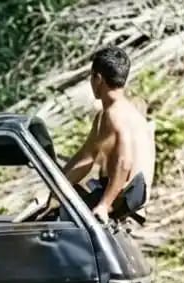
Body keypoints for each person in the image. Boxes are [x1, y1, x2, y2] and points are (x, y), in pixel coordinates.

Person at [63, 46, 156, 223]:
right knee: (67, 195)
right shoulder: (127, 112)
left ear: (98, 79)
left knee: (59, 214)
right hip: (133, 203)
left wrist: (104, 205)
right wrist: (56, 181)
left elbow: (124, 163)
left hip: (122, 203)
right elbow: (85, 157)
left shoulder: (113, 115)